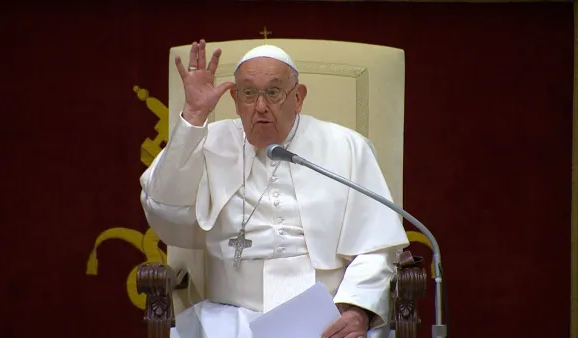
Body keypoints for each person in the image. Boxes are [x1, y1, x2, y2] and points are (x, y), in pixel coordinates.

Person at [140, 39, 409, 338]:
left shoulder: (346, 147)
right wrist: (193, 115)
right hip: (229, 317)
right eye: (248, 93)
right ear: (235, 100)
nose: (260, 106)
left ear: (298, 97)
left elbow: (377, 247)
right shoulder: (207, 143)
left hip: (327, 317)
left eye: (273, 92)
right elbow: (162, 208)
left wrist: (357, 309)